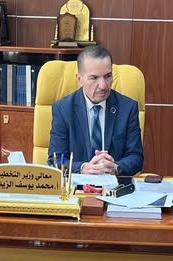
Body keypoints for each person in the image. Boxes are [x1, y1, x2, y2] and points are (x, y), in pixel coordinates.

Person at [48, 45, 143, 176]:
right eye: (94, 78)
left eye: (108, 76)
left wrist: (115, 167)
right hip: (78, 184)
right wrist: (83, 168)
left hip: (114, 184)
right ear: (79, 79)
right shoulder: (63, 109)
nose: (103, 86)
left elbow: (136, 157)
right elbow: (55, 160)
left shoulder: (127, 108)